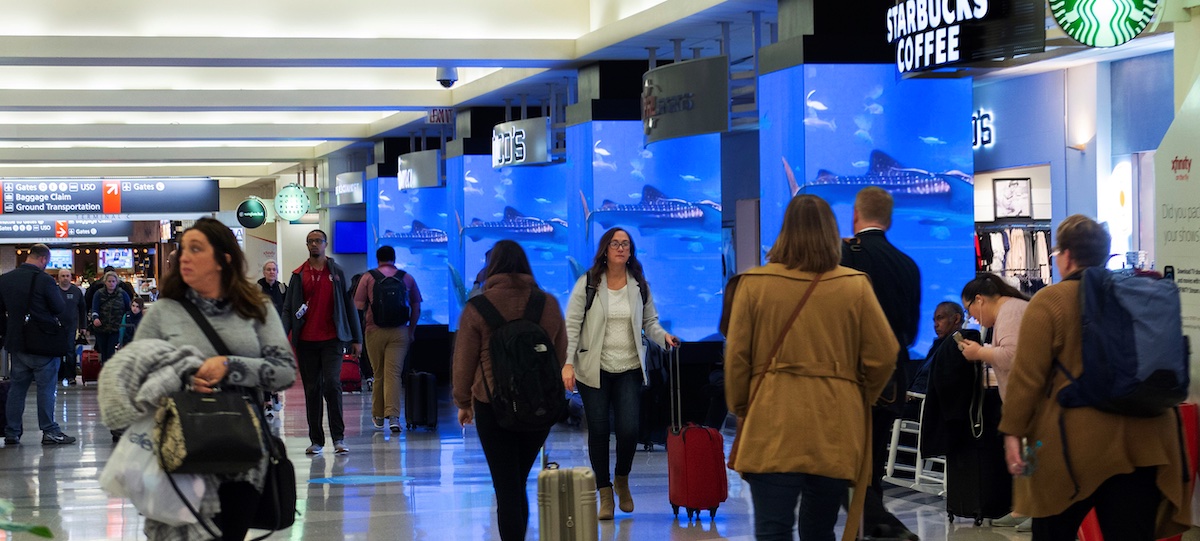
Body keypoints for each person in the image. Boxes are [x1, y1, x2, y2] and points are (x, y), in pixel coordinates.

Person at [98, 217, 296, 541]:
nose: (184, 257)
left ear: (223, 259)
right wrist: (181, 376)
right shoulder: (163, 312)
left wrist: (230, 366)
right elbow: (136, 376)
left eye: (196, 249)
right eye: (183, 249)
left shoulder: (255, 307)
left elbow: (285, 371)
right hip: (178, 452)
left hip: (242, 453)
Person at [1000, 215, 1190, 540]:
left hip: (1074, 448)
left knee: (1052, 532)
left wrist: (1012, 432)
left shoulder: (1050, 300)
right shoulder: (1137, 293)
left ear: (1066, 256)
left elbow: (1027, 378)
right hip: (1148, 440)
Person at [724, 195, 898, 541]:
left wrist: (742, 407)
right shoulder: (854, 284)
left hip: (770, 422)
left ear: (785, 231)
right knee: (820, 530)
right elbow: (884, 354)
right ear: (831, 232)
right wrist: (859, 397)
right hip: (834, 425)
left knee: (773, 531)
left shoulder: (753, 284)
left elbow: (737, 359)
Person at [454, 240, 567, 541]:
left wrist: (463, 402)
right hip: (538, 407)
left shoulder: (477, 307)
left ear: (492, 267)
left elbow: (464, 361)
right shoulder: (548, 303)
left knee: (507, 487)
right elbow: (559, 354)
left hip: (493, 406)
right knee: (517, 481)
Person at [563, 227, 679, 520]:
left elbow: (650, 322)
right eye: (615, 243)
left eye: (625, 244)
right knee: (599, 430)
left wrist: (663, 336)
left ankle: (622, 478)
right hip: (593, 368)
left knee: (629, 430)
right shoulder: (588, 283)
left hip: (629, 367)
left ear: (631, 251)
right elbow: (572, 325)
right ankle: (604, 492)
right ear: (605, 249)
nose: (620, 248)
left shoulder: (639, 284)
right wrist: (567, 363)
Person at [839, 186, 921, 541]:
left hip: (851, 378)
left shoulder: (846, 255)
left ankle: (883, 527)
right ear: (889, 218)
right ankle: (876, 527)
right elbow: (911, 333)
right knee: (872, 466)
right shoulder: (908, 265)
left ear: (855, 215)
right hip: (892, 380)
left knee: (844, 464)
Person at [282, 229, 362, 455]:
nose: (314, 244)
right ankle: (316, 440)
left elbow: (349, 306)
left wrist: (357, 338)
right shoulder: (298, 274)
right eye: (310, 241)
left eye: (318, 241)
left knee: (332, 385)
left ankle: (339, 438)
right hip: (306, 341)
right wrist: (281, 337)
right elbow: (288, 309)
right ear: (307, 245)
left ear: (325, 244)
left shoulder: (337, 273)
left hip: (332, 340)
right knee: (312, 389)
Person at [0, 243, 74, 446]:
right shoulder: (44, 280)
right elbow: (58, 307)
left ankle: (12, 432)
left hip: (17, 344)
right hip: (43, 343)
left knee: (17, 389)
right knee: (46, 389)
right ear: (43, 259)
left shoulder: (5, 279)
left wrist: (7, 333)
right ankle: (49, 430)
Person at [354, 245, 421, 433]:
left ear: (377, 259)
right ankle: (393, 418)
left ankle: (377, 416)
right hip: (400, 332)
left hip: (374, 332)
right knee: (393, 374)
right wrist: (411, 330)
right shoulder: (406, 277)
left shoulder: (368, 277)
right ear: (394, 258)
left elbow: (358, 307)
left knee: (379, 374)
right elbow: (416, 306)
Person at [958, 274, 1030, 400]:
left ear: (979, 300)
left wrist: (979, 352)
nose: (970, 317)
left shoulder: (1009, 313)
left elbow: (1012, 356)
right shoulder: (1009, 309)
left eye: (968, 310)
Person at [904, 301, 964, 419]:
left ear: (956, 319)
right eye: (934, 320)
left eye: (940, 318)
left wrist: (913, 396)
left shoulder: (959, 348)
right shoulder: (936, 346)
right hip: (914, 399)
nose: (935, 325)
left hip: (925, 405)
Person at [55, 268, 88, 387]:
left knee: (70, 351)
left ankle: (70, 376)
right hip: (56, 327)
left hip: (71, 326)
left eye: (67, 276)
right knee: (57, 351)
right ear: (58, 278)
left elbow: (83, 309)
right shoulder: (54, 290)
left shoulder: (76, 291)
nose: (65, 278)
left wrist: (83, 326)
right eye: (62, 276)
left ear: (70, 277)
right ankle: (58, 375)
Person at [90, 271, 132, 363]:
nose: (111, 283)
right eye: (109, 281)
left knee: (111, 352)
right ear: (105, 282)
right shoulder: (98, 294)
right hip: (101, 328)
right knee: (103, 352)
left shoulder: (123, 294)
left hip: (116, 328)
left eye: (113, 281)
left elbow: (128, 309)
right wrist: (95, 318)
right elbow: (94, 308)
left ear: (117, 282)